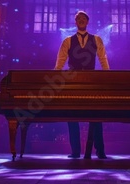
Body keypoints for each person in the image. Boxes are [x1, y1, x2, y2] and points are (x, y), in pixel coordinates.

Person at [55, 11, 110, 159]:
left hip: (91, 82)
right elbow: (60, 62)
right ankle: (75, 151)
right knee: (72, 115)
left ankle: (100, 150)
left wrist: (108, 76)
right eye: (78, 18)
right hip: (72, 83)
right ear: (75, 22)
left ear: (87, 21)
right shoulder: (67, 40)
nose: (81, 20)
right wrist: (56, 77)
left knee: (96, 116)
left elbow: (103, 59)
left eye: (83, 18)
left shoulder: (97, 39)